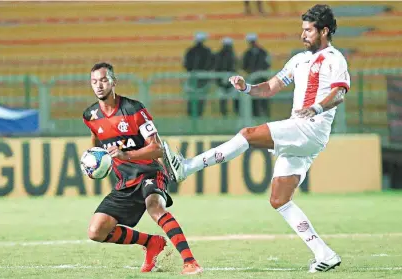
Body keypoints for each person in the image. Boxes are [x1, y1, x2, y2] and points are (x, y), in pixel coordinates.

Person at [163, 4, 349, 273]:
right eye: (303, 29)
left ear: (324, 31)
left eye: (308, 30)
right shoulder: (298, 60)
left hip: (311, 127)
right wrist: (247, 87)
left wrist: (317, 108)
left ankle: (187, 167)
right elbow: (271, 87)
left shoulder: (335, 59)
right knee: (279, 200)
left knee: (247, 134)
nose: (303, 35)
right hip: (302, 132)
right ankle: (325, 253)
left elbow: (340, 93)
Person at [82, 62, 202, 275]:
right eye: (94, 82)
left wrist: (125, 155)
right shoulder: (90, 115)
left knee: (154, 207)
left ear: (113, 82)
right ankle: (151, 243)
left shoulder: (133, 109)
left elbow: (157, 149)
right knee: (96, 231)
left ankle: (190, 262)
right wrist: (94, 163)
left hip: (150, 172)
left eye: (103, 80)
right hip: (125, 181)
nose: (98, 85)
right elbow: (95, 141)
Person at [183, 32, 214, 117]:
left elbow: (186, 64)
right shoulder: (207, 51)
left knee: (191, 98)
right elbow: (211, 64)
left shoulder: (190, 50)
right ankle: (199, 115)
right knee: (201, 98)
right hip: (203, 79)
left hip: (192, 77)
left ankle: (191, 116)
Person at [242, 33, 271, 117]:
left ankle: (265, 114)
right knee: (253, 99)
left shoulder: (263, 52)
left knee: (264, 98)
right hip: (252, 80)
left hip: (262, 79)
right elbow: (244, 65)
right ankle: (255, 115)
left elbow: (267, 64)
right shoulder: (247, 53)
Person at [214, 37, 239, 116]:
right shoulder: (220, 55)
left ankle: (233, 114)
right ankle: (225, 114)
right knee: (224, 100)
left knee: (235, 99)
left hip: (229, 81)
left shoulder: (232, 56)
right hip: (223, 80)